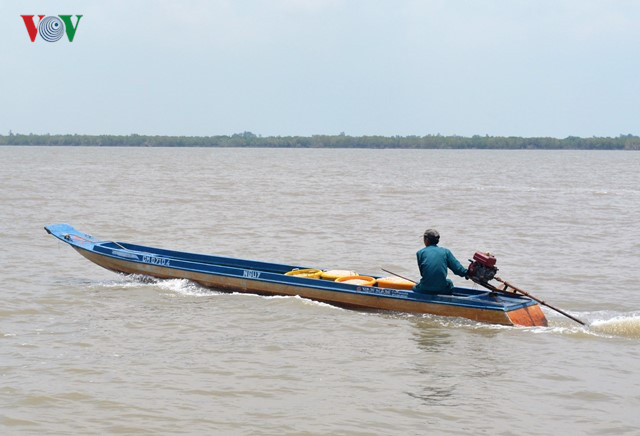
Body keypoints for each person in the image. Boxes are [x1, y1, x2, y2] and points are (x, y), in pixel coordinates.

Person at [413, 229, 468, 294]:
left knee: (414, 287)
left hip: (425, 288)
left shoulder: (420, 253)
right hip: (442, 289)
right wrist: (466, 273)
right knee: (449, 283)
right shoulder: (446, 252)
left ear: (427, 240)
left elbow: (423, 273)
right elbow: (458, 270)